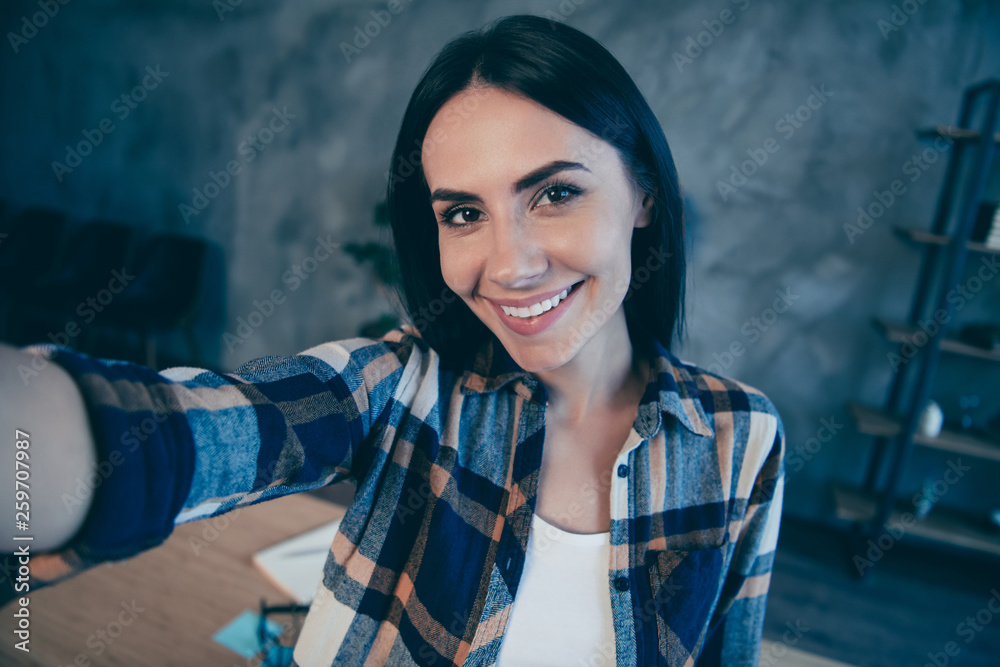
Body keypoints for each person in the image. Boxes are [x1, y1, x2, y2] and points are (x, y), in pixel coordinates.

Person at [0, 14, 784, 667]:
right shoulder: (396, 389)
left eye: (555, 193)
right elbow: (181, 430)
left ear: (644, 192)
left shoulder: (739, 437)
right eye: (463, 214)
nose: (510, 265)